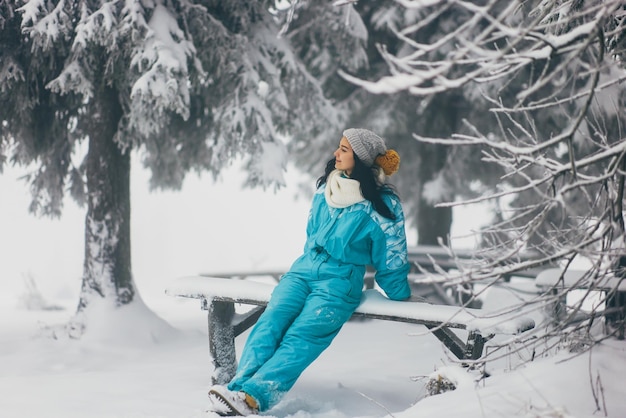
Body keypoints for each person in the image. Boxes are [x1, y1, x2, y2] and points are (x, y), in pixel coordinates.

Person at [207, 128, 412, 416]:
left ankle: (254, 398)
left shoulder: (382, 205)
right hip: (302, 271)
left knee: (302, 336)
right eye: (338, 147)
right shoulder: (326, 188)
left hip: (339, 282)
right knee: (270, 322)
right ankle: (238, 389)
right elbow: (311, 235)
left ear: (362, 159)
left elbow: (392, 255)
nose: (335, 154)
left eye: (344, 149)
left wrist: (400, 294)